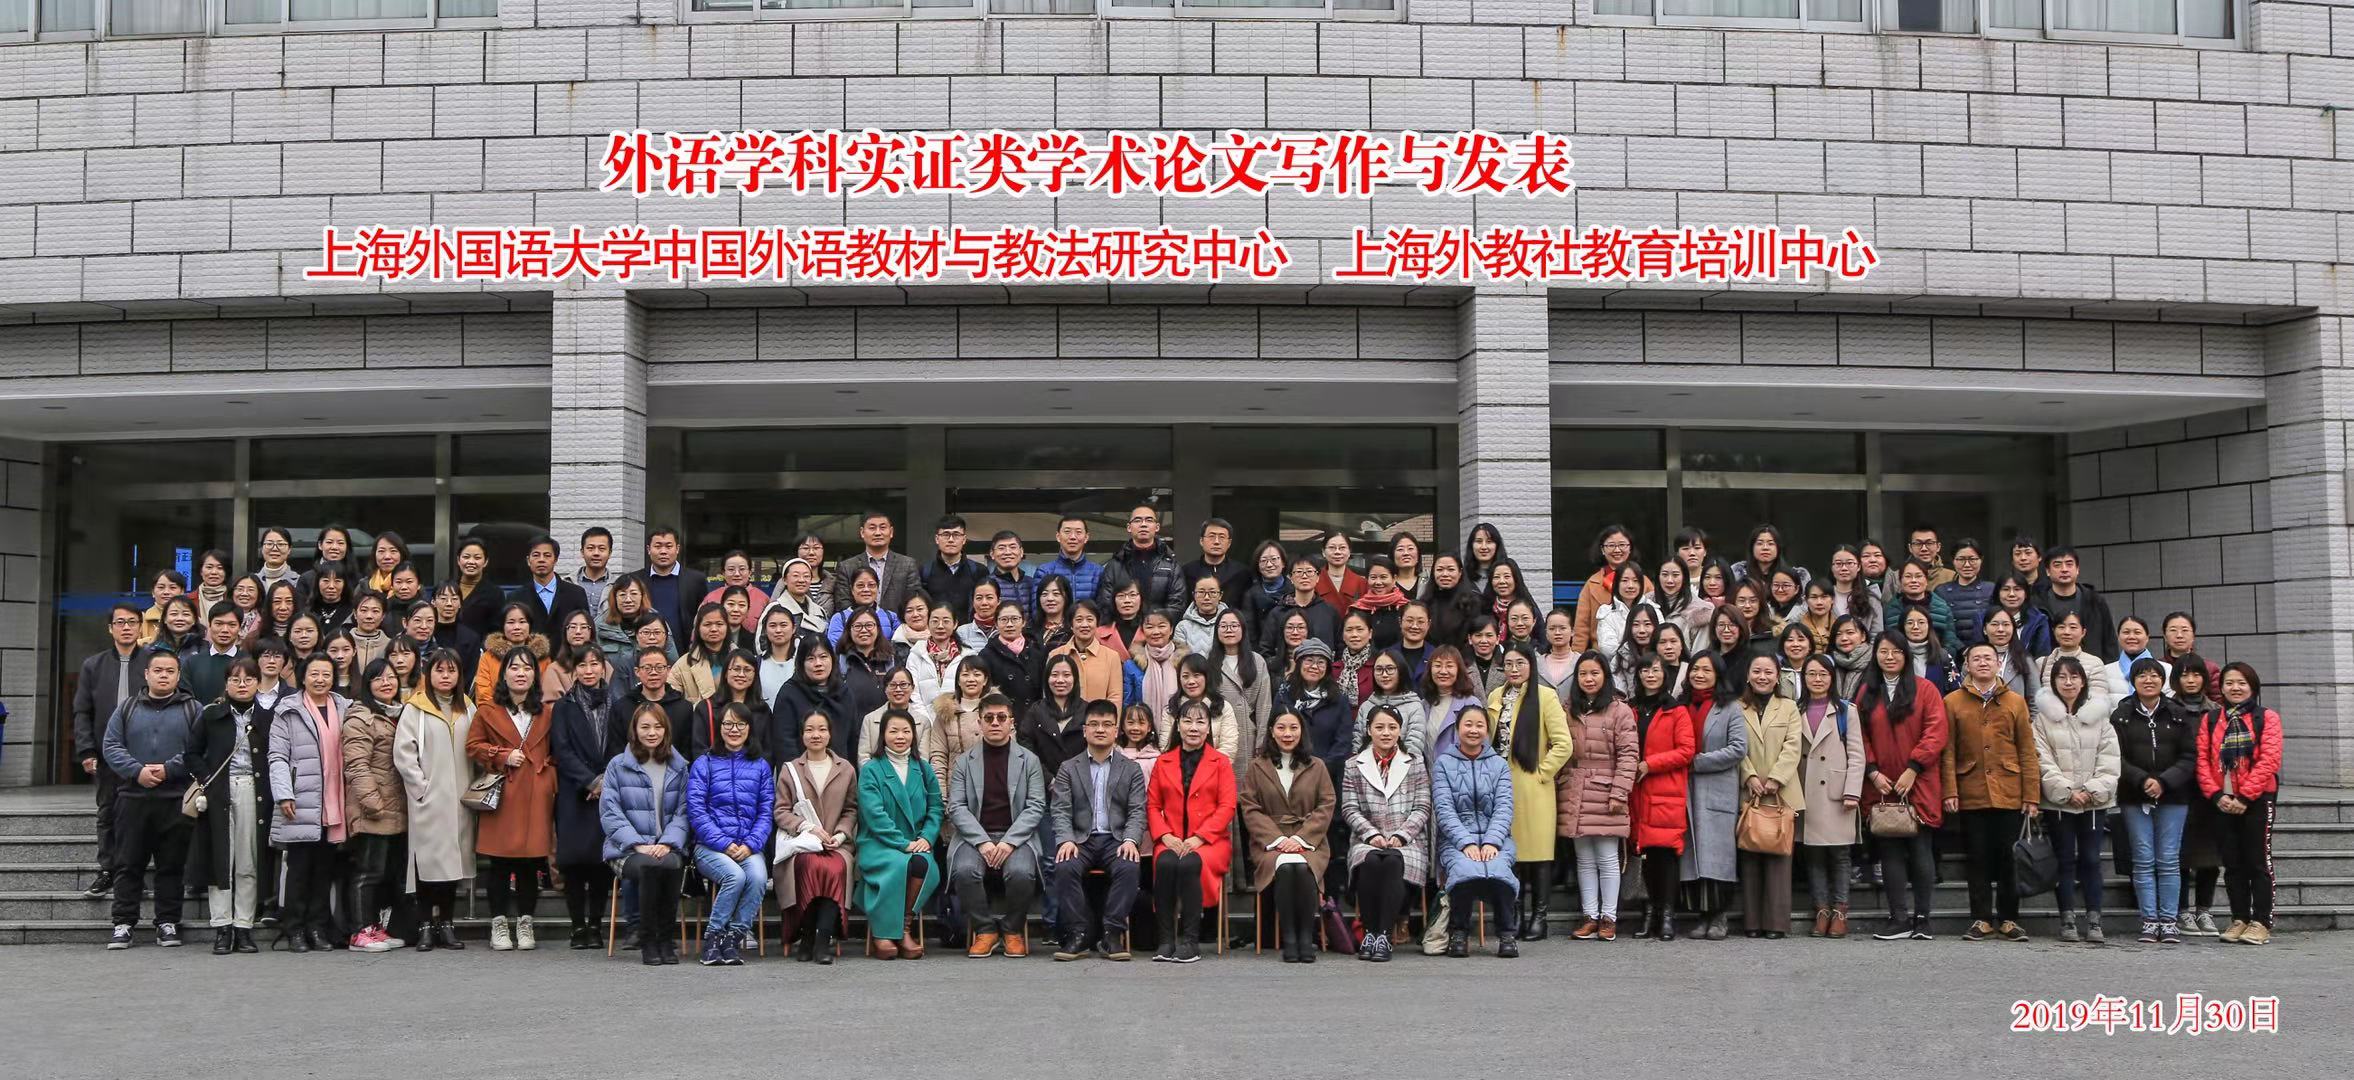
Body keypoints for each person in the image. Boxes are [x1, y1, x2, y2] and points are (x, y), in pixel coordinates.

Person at [98, 650, 201, 950]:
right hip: (133, 797)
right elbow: (111, 745)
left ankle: (167, 922)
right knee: (128, 863)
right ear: (146, 674)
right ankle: (123, 923)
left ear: (178, 676)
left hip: (176, 798)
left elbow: (198, 748)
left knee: (171, 865)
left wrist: (170, 769)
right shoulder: (127, 708)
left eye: (170, 671)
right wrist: (137, 771)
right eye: (158, 670)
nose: (163, 675)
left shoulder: (192, 709)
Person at [1943, 640, 2042, 941]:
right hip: (1970, 789)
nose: (1983, 663)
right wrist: (1950, 790)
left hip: (2009, 791)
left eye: (1988, 658)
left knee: (2009, 858)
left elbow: (2027, 750)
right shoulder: (1952, 702)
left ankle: (2009, 919)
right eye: (1976, 658)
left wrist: (2031, 795)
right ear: (1967, 665)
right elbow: (1948, 751)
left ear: (1999, 664)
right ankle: (1981, 918)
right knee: (1977, 858)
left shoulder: (2015, 701)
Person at [1856, 632, 1948, 941]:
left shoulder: (1925, 689)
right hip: (1881, 784)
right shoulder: (1867, 692)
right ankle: (1898, 918)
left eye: (1897, 651)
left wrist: (1914, 768)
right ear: (1875, 655)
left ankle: (1923, 918)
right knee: (1889, 850)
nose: (1890, 657)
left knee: (1920, 848)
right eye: (1884, 651)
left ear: (1906, 655)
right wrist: (1872, 771)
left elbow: (1936, 731)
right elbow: (1858, 736)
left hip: (1918, 781)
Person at [468, 647, 559, 952]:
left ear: (536, 675)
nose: (521, 673)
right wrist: (501, 755)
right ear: (503, 674)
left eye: (527, 668)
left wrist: (547, 776)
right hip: (503, 792)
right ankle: (498, 923)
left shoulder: (547, 712)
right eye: (514, 667)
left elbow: (558, 751)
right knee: (499, 861)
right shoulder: (487, 710)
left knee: (531, 862)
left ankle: (525, 921)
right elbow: (473, 746)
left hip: (535, 793)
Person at [946, 694, 1048, 958]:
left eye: (1001, 718)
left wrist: (1008, 842)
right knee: (964, 871)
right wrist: (982, 842)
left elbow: (1036, 806)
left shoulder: (1029, 761)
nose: (995, 723)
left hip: (1017, 837)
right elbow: (956, 807)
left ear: (1012, 722)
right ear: (979, 722)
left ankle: (1012, 930)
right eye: (989, 718)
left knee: (1022, 873)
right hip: (974, 837)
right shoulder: (963, 762)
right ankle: (985, 931)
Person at [1047, 699, 1149, 961]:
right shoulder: (1069, 768)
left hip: (1116, 839)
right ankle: (1079, 933)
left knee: (1129, 866)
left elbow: (1138, 810)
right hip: (1080, 840)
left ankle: (1111, 933)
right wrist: (1066, 839)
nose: (1100, 729)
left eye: (1106, 724)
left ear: (1116, 731)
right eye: (1093, 724)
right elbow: (1060, 810)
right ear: (1084, 730)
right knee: (1064, 866)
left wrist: (1130, 840)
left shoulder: (1131, 769)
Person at [1484, 644, 1574, 939]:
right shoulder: (1495, 697)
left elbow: (1563, 743)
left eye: (1520, 663)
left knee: (1538, 855)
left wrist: (1542, 772)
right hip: (1501, 785)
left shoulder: (1545, 696)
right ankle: (1515, 914)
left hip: (1534, 788)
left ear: (1531, 666)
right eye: (1508, 664)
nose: (1514, 669)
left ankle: (1539, 916)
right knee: (1511, 854)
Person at [2033, 655, 2121, 944]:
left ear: (2083, 681)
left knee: (2091, 859)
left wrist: (2091, 790)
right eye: (2062, 677)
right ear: (2053, 682)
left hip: (2094, 803)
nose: (2068, 682)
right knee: (2064, 860)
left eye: (2074, 677)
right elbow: (2041, 759)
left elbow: (2110, 760)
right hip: (2059, 802)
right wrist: (2067, 791)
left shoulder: (2100, 717)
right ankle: (2067, 918)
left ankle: (2094, 919)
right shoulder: (2042, 720)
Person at [1239, 709, 1338, 963]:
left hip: (1310, 840)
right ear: (1271, 731)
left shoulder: (1317, 766)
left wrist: (1301, 839)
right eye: (1281, 728)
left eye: (1293, 728)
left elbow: (1326, 804)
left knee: (1302, 867)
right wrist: (1278, 840)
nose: (1287, 734)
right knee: (1284, 867)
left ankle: (1306, 937)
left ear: (1302, 731)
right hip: (1270, 842)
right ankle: (1290, 938)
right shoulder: (1257, 767)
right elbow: (1250, 807)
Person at [2112, 657, 2197, 944]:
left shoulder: (2178, 714)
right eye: (2142, 675)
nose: (2148, 680)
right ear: (2132, 681)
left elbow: (2189, 756)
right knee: (2143, 859)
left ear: (2163, 681)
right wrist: (2142, 780)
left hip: (2173, 796)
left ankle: (2169, 921)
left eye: (2154, 675)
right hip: (2134, 796)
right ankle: (2149, 920)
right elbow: (2115, 757)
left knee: (2169, 860)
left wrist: (2164, 781)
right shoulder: (2121, 715)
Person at [393, 649, 473, 951]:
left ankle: (447, 924)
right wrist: (421, 789)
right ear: (429, 674)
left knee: (453, 866)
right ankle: (425, 924)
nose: (445, 676)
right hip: (429, 800)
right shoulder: (416, 708)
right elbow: (404, 754)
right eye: (440, 670)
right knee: (427, 866)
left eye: (451, 671)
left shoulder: (468, 707)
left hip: (461, 801)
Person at [1145, 700, 1237, 963]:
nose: (1193, 728)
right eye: (1187, 721)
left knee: (1188, 864)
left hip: (1210, 842)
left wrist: (1200, 837)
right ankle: (1165, 941)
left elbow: (1227, 806)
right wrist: (1165, 835)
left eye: (1200, 722)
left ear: (1209, 728)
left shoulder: (1221, 762)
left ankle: (1190, 941)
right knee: (1165, 863)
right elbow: (1153, 805)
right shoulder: (1163, 762)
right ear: (1178, 725)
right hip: (1171, 838)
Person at [2197, 663, 2283, 945]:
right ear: (2221, 688)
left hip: (2257, 799)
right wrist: (2217, 796)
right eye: (2229, 683)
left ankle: (2261, 921)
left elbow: (2269, 760)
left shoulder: (2266, 718)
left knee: (2258, 860)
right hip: (2222, 801)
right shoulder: (2211, 719)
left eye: (2241, 683)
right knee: (2232, 862)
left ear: (2252, 687)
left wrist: (2245, 797)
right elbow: (2203, 761)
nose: (2235, 688)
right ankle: (2240, 918)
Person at [188, 657, 270, 954]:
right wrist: (207, 779)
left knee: (248, 860)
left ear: (258, 683)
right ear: (226, 683)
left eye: (249, 679)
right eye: (235, 679)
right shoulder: (211, 714)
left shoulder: (268, 717)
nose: (242, 685)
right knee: (220, 860)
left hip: (254, 790)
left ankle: (244, 927)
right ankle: (222, 926)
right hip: (219, 792)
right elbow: (191, 753)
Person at [602, 702, 690, 965]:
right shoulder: (618, 765)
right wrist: (637, 844)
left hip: (666, 846)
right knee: (650, 867)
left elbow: (684, 811)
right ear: (635, 730)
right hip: (626, 849)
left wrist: (668, 843)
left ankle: (666, 939)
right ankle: (649, 940)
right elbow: (610, 812)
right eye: (645, 727)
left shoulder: (679, 766)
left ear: (666, 730)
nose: (652, 732)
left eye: (658, 726)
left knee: (671, 865)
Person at [686, 702, 774, 965]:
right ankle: (713, 938)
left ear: (749, 728)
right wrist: (724, 843)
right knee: (734, 876)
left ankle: (732, 938)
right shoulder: (704, 763)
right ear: (719, 728)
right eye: (728, 724)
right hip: (710, 847)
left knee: (758, 877)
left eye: (740, 724)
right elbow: (696, 811)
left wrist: (751, 844)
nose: (734, 730)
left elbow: (766, 811)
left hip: (748, 845)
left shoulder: (760, 766)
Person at [74, 601, 151, 900]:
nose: (126, 627)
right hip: (106, 752)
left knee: (140, 815)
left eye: (132, 622)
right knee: (107, 812)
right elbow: (82, 711)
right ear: (110, 628)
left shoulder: (152, 661)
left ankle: (134, 873)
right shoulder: (93, 665)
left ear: (140, 626)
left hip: (143, 753)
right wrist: (86, 750)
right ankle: (107, 870)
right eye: (120, 622)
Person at [1557, 651, 1637, 940]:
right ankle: (1589, 916)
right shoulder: (1568, 709)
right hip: (1575, 789)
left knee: (1607, 857)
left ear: (1605, 676)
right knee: (1584, 858)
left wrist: (1619, 792)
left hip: (1606, 789)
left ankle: (1609, 917)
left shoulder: (1619, 710)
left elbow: (1628, 755)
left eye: (1594, 673)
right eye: (1583, 674)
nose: (1588, 679)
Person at [1341, 704, 1429, 961]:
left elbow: (1422, 807)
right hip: (1367, 839)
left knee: (1392, 861)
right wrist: (1371, 835)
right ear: (1369, 730)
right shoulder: (1353, 765)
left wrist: (1401, 835)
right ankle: (1370, 932)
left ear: (1400, 731)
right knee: (1369, 860)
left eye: (1392, 727)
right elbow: (1349, 808)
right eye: (1379, 727)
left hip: (1407, 841)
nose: (1386, 733)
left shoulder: (1415, 763)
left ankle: (1383, 935)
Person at [856, 708, 944, 960]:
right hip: (879, 843)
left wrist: (926, 838)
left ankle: (903, 928)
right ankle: (884, 933)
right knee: (897, 866)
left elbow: (936, 807)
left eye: (906, 731)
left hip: (916, 842)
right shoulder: (872, 770)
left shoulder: (923, 769)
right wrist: (902, 843)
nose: (900, 736)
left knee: (925, 865)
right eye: (893, 731)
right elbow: (874, 814)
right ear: (883, 735)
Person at [1432, 704, 1517, 959]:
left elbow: (1504, 807)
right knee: (1464, 870)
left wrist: (1492, 841)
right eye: (1468, 724)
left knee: (1500, 870)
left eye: (1480, 725)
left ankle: (1507, 934)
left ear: (1487, 730)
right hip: (1456, 839)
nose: (1473, 730)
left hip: (1496, 837)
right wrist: (1466, 842)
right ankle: (1459, 932)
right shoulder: (1443, 764)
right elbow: (1444, 809)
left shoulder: (1498, 765)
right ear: (1458, 729)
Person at [775, 709, 858, 964]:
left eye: (822, 729)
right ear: (802, 735)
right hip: (802, 843)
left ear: (830, 734)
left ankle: (822, 940)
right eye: (809, 729)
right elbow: (780, 811)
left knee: (835, 868)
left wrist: (840, 836)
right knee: (809, 864)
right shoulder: (791, 770)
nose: (816, 735)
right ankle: (807, 935)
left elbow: (851, 809)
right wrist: (806, 827)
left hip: (836, 844)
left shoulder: (846, 769)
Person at [339, 658, 411, 953]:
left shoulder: (399, 714)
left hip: (396, 807)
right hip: (374, 808)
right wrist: (372, 803)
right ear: (367, 685)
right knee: (367, 873)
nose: (386, 683)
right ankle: (359, 931)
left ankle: (375, 927)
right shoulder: (361, 717)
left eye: (391, 677)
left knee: (384, 873)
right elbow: (356, 764)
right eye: (378, 678)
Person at [551, 648, 620, 950]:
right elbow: (561, 749)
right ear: (574, 670)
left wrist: (605, 780)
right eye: (582, 665)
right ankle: (577, 925)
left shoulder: (616, 703)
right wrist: (590, 781)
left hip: (608, 790)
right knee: (573, 862)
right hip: (574, 790)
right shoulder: (563, 706)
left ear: (604, 668)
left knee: (600, 861)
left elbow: (620, 745)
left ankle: (595, 924)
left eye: (594, 664)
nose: (589, 670)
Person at [1790, 654, 1863, 938]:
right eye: (1811, 674)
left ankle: (1840, 910)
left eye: (1823, 674)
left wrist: (1852, 791)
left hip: (1836, 791)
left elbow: (1857, 754)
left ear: (1832, 678)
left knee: (1840, 853)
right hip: (1806, 790)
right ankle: (1821, 910)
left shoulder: (1846, 710)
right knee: (1813, 853)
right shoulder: (1795, 708)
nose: (1817, 679)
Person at [1731, 653, 1802, 939]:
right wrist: (1748, 775)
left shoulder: (1789, 707)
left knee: (1779, 859)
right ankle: (1752, 922)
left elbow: (1793, 745)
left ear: (1777, 677)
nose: (1762, 677)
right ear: (1748, 675)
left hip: (1781, 791)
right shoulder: (1736, 707)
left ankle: (1776, 923)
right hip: (1749, 791)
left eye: (1768, 672)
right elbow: (1735, 745)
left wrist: (1776, 778)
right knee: (1750, 856)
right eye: (1757, 671)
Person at [1625, 653, 1694, 942]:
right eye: (1645, 670)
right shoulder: (1631, 709)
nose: (1650, 675)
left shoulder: (1676, 710)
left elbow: (1686, 750)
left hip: (1664, 790)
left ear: (1665, 674)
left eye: (1655, 670)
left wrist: (1650, 764)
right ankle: (1648, 913)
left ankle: (1666, 916)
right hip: (1636, 791)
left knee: (1665, 856)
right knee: (1642, 856)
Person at [1681, 652, 1747, 941]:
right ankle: (1702, 915)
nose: (1699, 674)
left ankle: (1720, 916)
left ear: (1718, 675)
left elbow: (1738, 748)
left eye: (1706, 670)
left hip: (1718, 787)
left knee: (1717, 858)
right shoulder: (1682, 705)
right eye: (1695, 669)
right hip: (1687, 790)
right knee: (1693, 856)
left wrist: (1698, 762)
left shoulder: (1730, 707)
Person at [2172, 657, 2225, 936]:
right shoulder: (2168, 708)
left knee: (2210, 856)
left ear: (2205, 678)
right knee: (2180, 854)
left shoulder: (2217, 711)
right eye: (2184, 675)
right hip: (2178, 790)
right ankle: (2182, 911)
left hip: (2210, 792)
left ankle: (2204, 910)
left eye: (2196, 675)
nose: (2190, 680)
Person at [1105, 502, 1185, 619]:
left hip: (1158, 628)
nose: (1143, 524)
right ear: (1129, 527)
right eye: (1137, 520)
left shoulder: (1170, 564)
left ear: (1157, 527)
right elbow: (1106, 602)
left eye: (1149, 520)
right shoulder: (1115, 564)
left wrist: (1156, 625)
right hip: (1124, 628)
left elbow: (1177, 604)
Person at [634, 527, 710, 643]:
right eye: (658, 546)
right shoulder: (636, 580)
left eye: (669, 546)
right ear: (648, 549)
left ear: (677, 549)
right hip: (646, 647)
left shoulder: (696, 580)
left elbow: (704, 615)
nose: (663, 551)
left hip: (685, 648)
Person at [473, 602, 549, 708]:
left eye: (522, 622)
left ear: (530, 625)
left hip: (535, 712)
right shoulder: (488, 657)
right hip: (495, 713)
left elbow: (547, 694)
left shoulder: (543, 658)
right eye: (511, 622)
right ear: (502, 626)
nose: (517, 627)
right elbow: (483, 695)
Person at [516, 533, 590, 635]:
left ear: (555, 560)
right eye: (536, 555)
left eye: (547, 555)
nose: (541, 560)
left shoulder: (576, 593)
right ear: (528, 560)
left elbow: (586, 631)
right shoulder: (517, 597)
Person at [1033, 514, 1105, 607]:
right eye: (1067, 532)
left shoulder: (1098, 572)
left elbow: (1103, 609)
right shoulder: (1044, 571)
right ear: (1058, 536)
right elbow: (1037, 608)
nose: (1073, 537)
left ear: (1086, 537)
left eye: (1078, 532)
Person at [1936, 540, 1995, 649]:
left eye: (1972, 559)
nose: (1967, 565)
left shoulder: (1991, 589)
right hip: (1953, 651)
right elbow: (1940, 627)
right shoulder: (1941, 591)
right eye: (1961, 559)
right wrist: (1961, 649)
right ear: (1953, 561)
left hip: (1985, 650)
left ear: (1981, 560)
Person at [1183, 518, 1253, 609]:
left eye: (1222, 537)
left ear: (1229, 543)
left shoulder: (1242, 573)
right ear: (1201, 541)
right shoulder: (1187, 571)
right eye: (1211, 536)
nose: (1216, 542)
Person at [569, 526, 618, 627]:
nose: (596, 553)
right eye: (590, 548)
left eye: (602, 549)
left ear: (610, 553)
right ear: (582, 552)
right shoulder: (567, 583)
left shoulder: (618, 585)